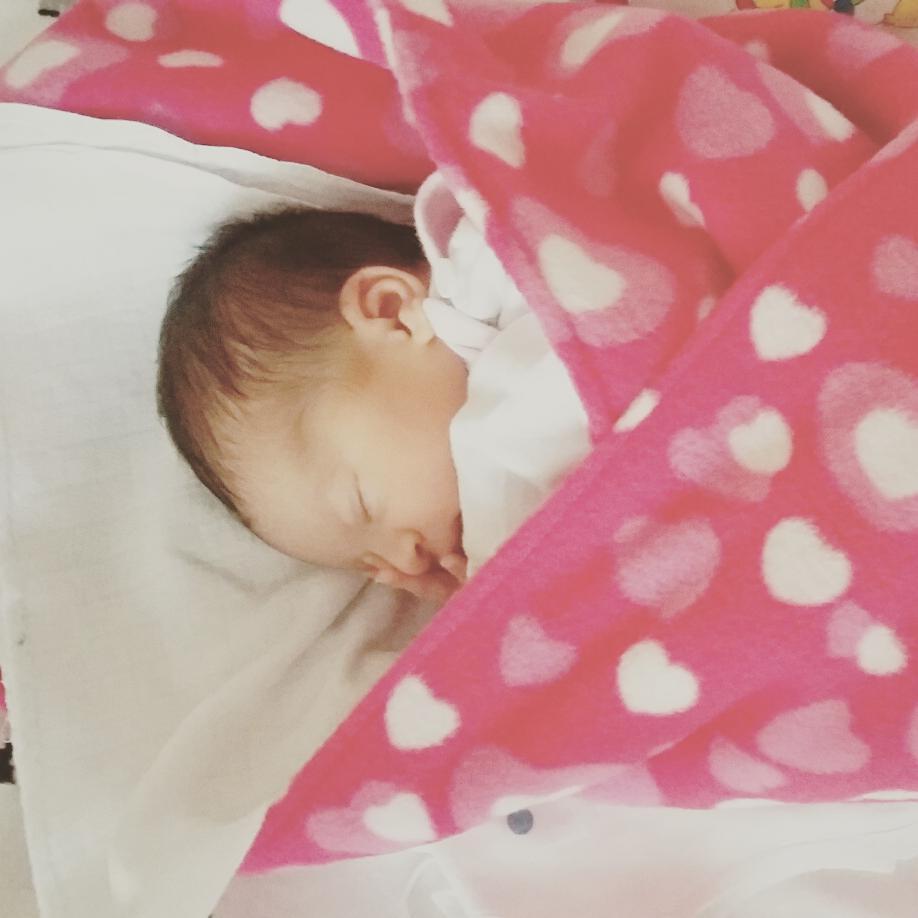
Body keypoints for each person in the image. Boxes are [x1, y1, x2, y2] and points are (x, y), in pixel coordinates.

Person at [157, 175, 590, 602]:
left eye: (363, 503)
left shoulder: (490, 269)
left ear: (391, 310)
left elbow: (531, 414)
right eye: (370, 562)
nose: (408, 563)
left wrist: (497, 580)